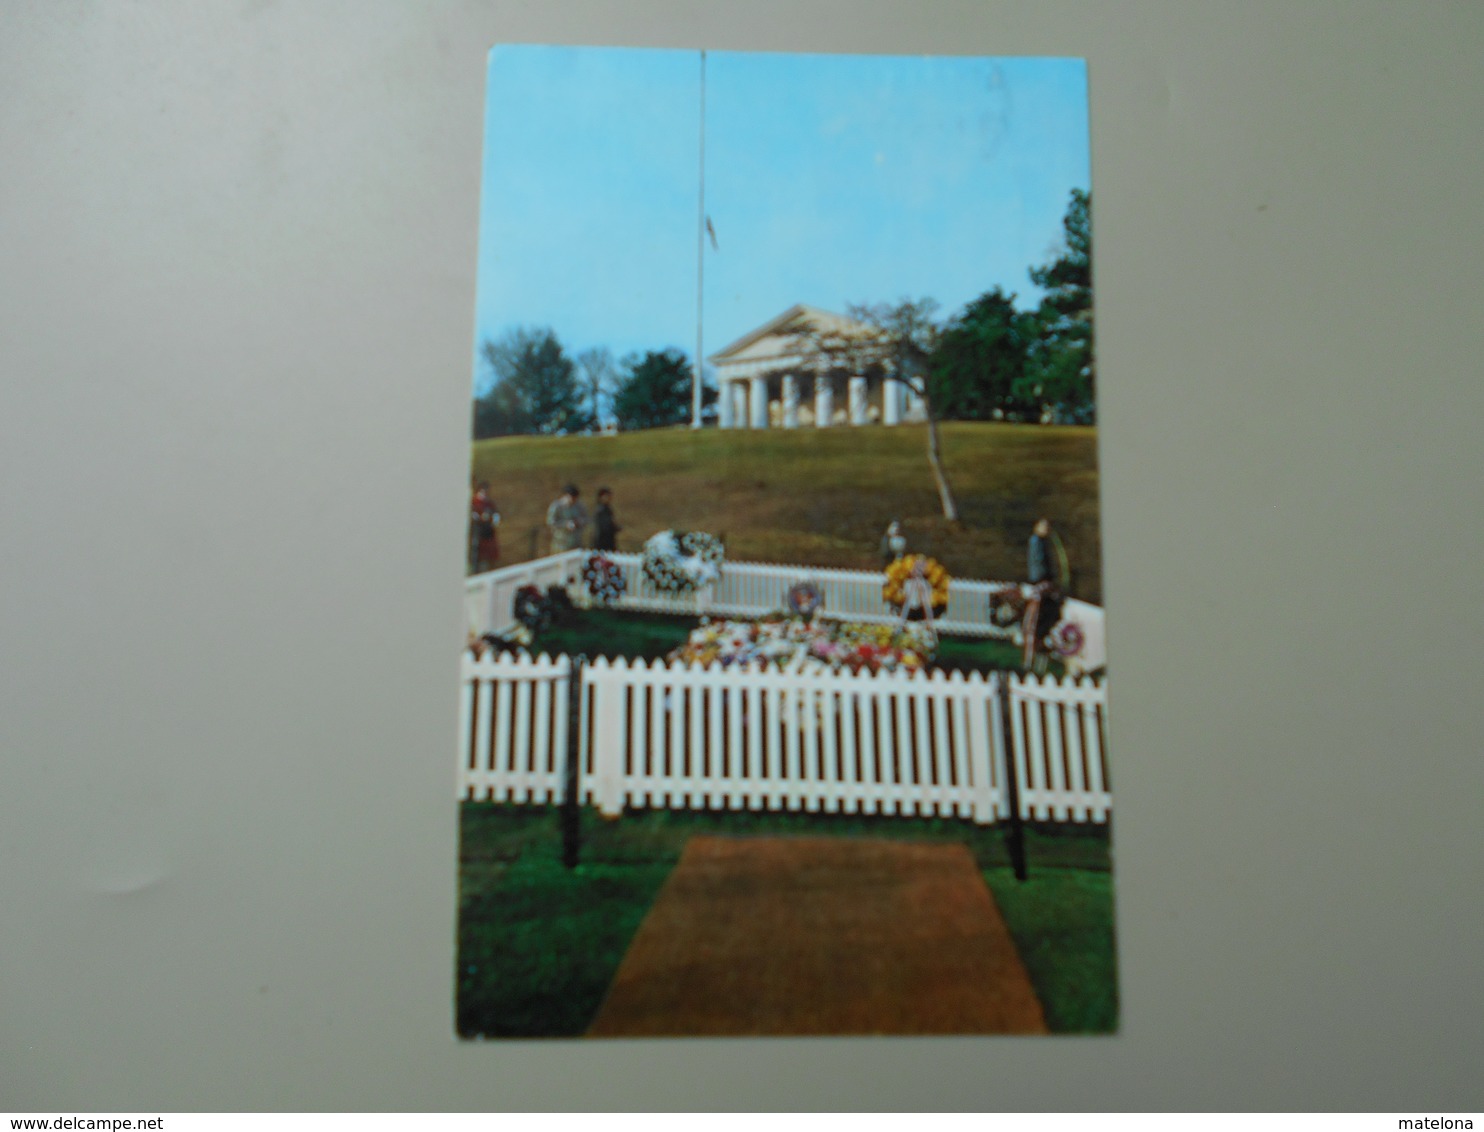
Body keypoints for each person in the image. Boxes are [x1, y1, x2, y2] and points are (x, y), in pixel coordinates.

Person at [1023, 517, 1067, 668]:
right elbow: (1039, 564)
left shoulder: (1043, 542)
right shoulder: (1036, 542)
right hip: (1041, 581)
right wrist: (1045, 580)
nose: (1047, 530)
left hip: (1044, 581)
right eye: (1044, 527)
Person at [546, 484, 588, 552]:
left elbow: (586, 519)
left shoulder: (580, 506)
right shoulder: (557, 506)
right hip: (561, 543)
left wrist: (579, 522)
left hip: (576, 542)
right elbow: (551, 522)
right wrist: (565, 524)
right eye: (571, 497)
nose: (573, 500)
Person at [469, 480, 499, 573]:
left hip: (488, 531)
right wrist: (480, 518)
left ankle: (485, 568)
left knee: (487, 556)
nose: (485, 493)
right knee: (477, 553)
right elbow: (472, 514)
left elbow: (495, 514)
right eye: (483, 491)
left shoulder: (489, 503)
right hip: (478, 531)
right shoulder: (474, 502)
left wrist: (493, 519)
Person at [593, 486, 621, 552]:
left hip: (609, 539)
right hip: (601, 541)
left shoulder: (608, 509)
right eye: (607, 496)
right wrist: (614, 528)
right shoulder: (600, 510)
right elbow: (604, 526)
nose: (609, 498)